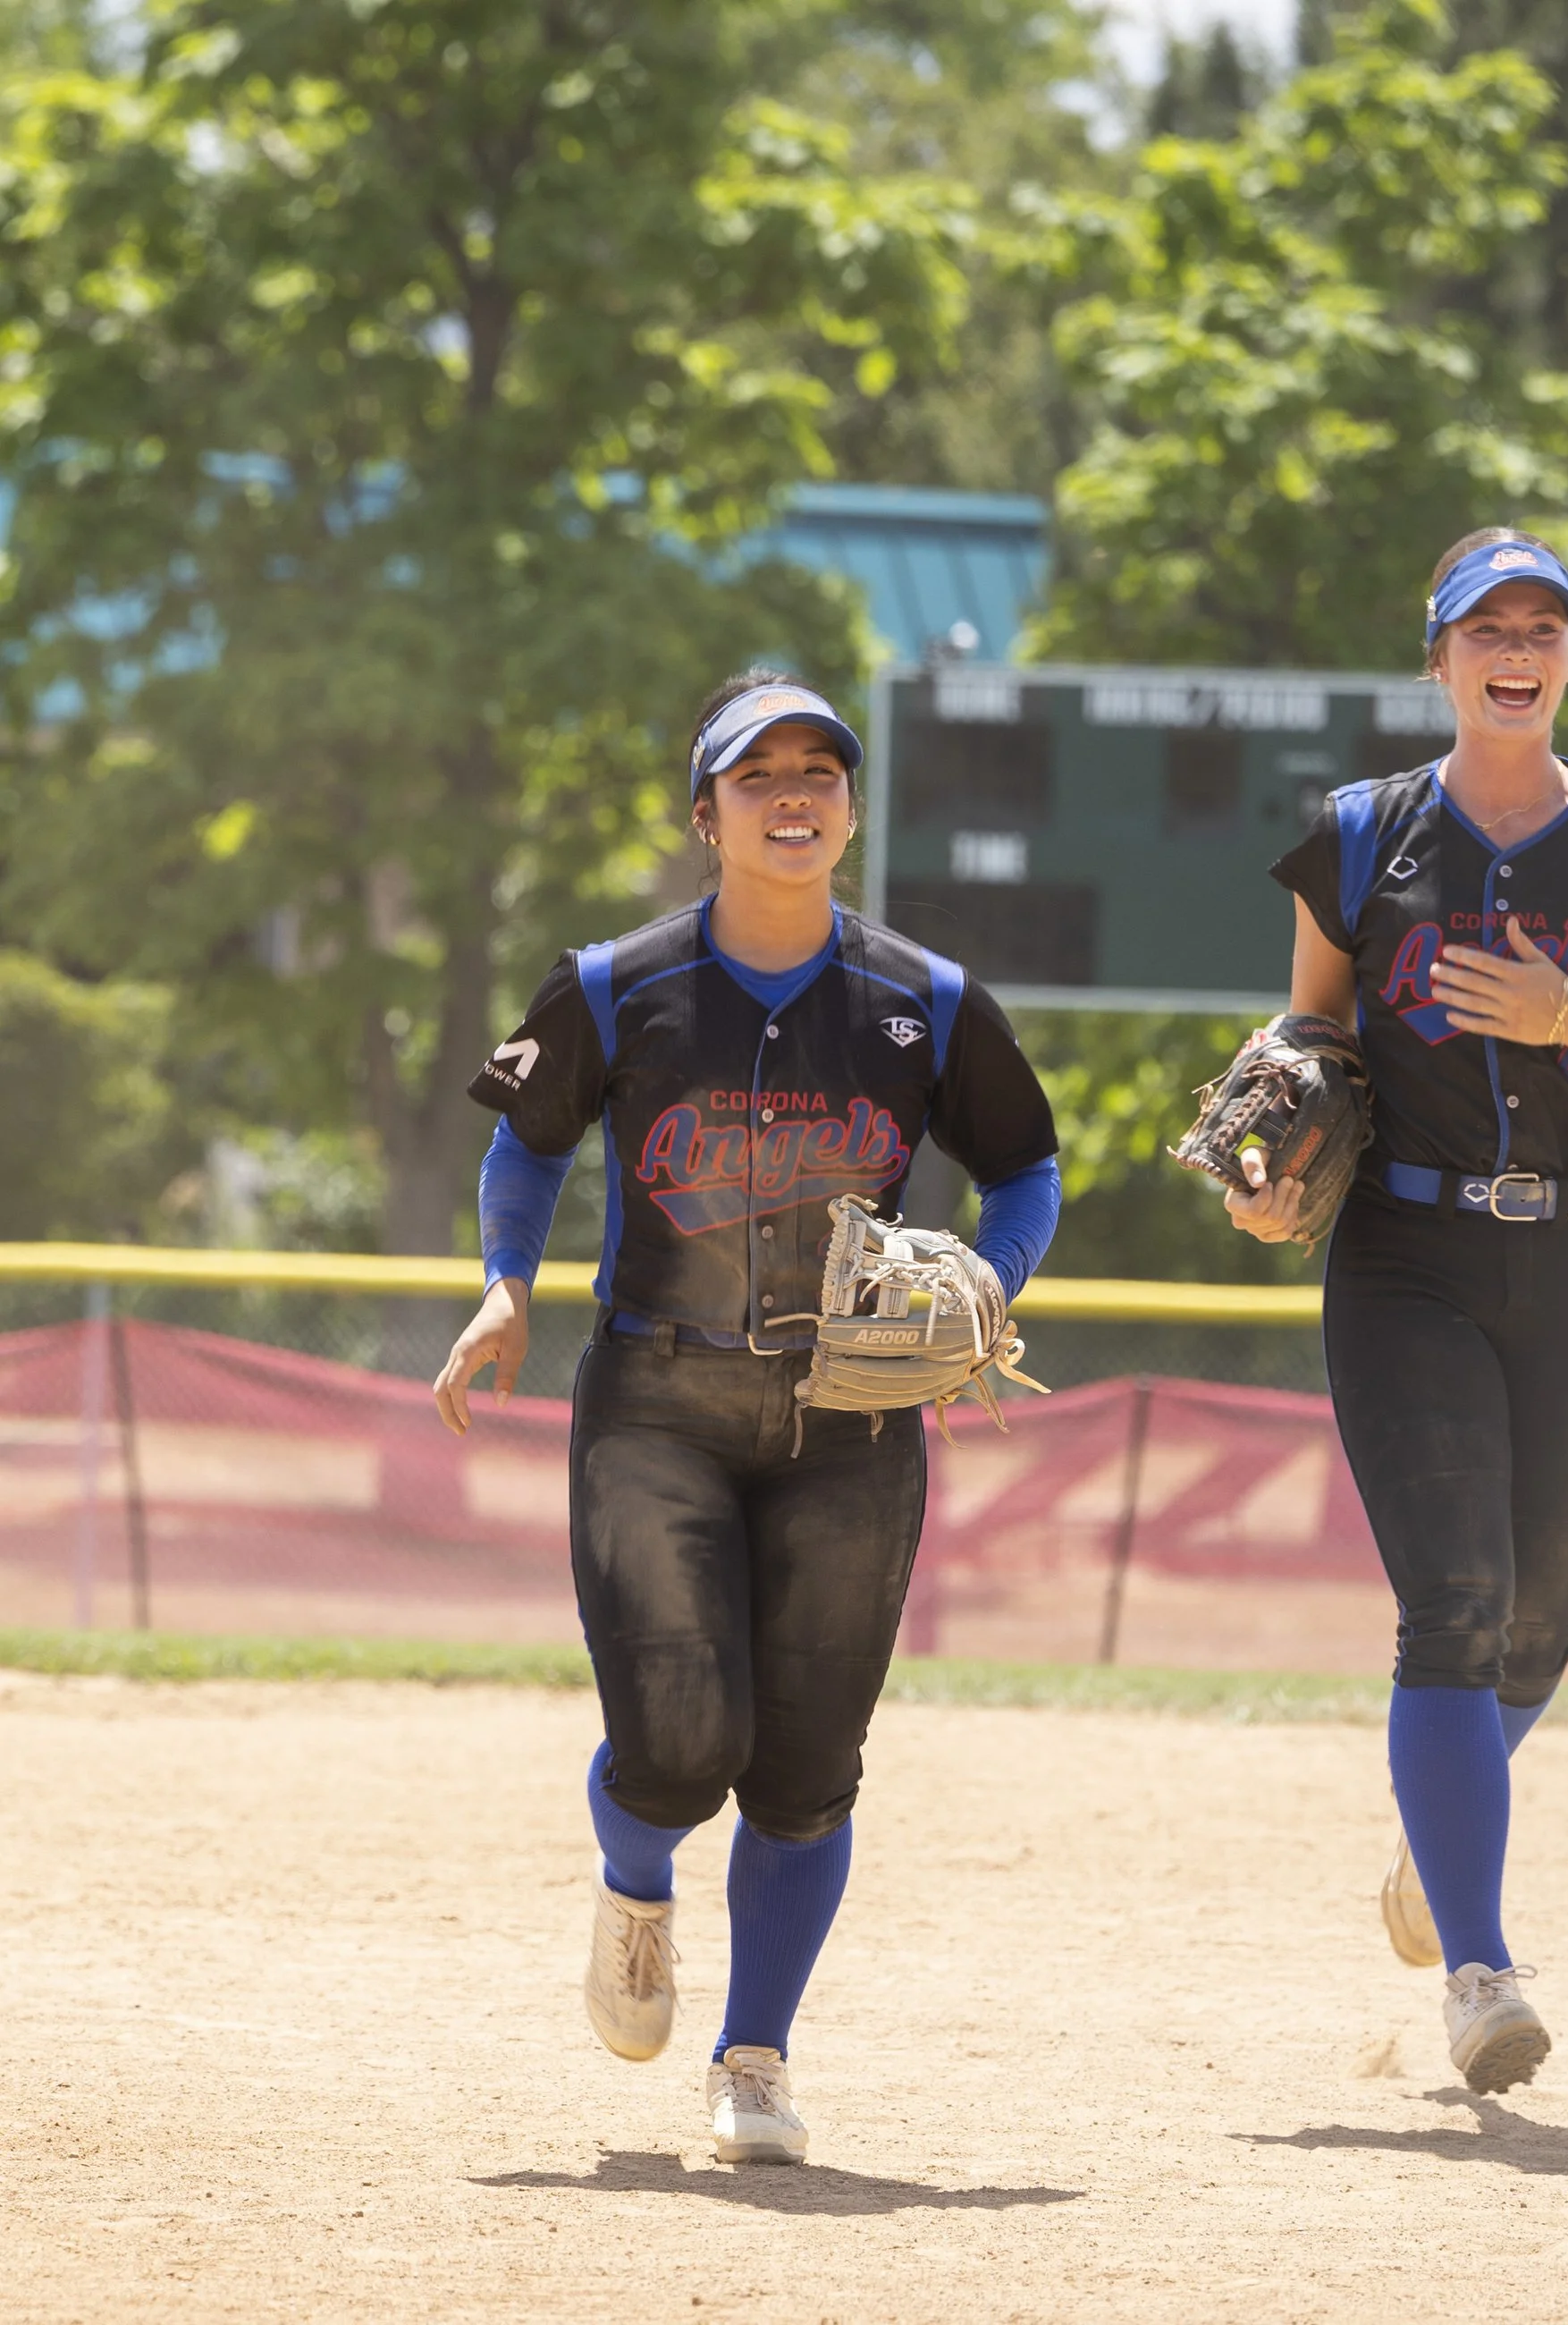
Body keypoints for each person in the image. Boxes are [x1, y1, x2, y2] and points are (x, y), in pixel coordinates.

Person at [432, 670, 1061, 2163]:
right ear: (702, 811)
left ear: (851, 806)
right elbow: (525, 1148)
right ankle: (636, 1891)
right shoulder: (611, 986)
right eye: (756, 772)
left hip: (851, 1423)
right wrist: (505, 1286)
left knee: (803, 1768)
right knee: (674, 1750)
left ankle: (756, 2059)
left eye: (821, 771)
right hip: (657, 1399)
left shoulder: (928, 1002)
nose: (794, 793)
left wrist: (987, 1271)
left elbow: (1026, 1167)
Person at [1227, 531, 1568, 2092]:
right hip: (1406, 1258)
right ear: (1440, 656)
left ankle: (1433, 1850)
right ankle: (1478, 1968)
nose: (1515, 648)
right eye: (1485, 626)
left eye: (1544, 625)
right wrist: (1265, 1168)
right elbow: (1305, 1046)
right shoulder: (1359, 838)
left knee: (1541, 1624)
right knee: (1453, 1608)